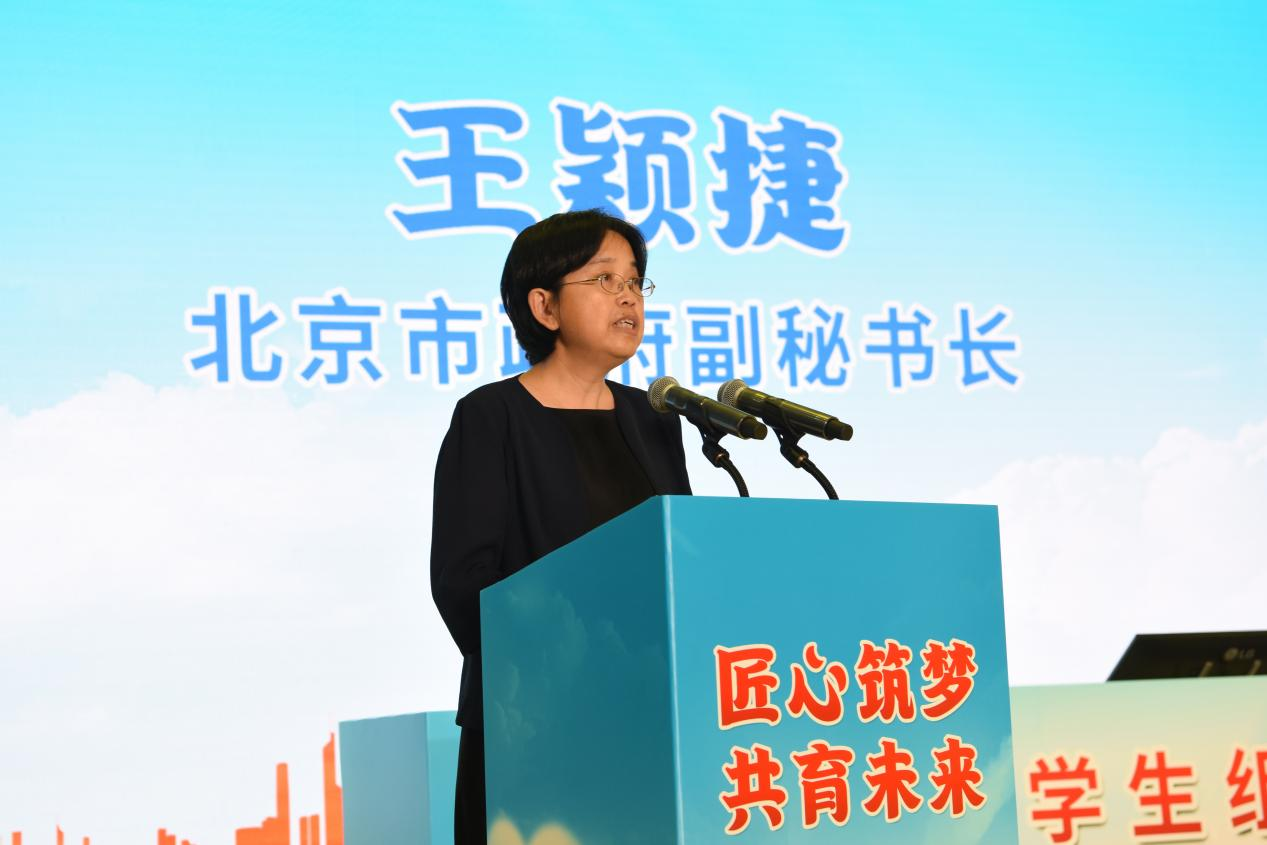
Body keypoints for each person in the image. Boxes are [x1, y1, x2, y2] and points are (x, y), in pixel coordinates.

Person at [429, 209, 693, 844]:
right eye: (604, 279)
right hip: (535, 728)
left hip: (649, 721)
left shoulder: (655, 418)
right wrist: (562, 653)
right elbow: (463, 582)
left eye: (635, 281)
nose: (628, 296)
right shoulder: (490, 416)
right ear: (544, 306)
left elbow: (680, 559)